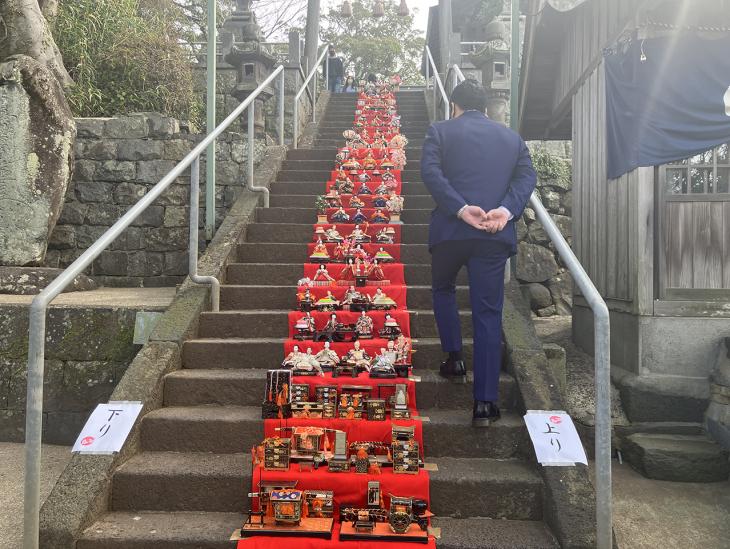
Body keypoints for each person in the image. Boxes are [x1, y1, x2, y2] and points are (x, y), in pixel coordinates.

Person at [420, 79, 536, 428]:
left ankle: (454, 357)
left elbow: (430, 173)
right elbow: (526, 177)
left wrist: (459, 208)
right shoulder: (512, 139)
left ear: (453, 105)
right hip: (493, 235)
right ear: (486, 108)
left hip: (450, 231)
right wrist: (505, 210)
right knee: (487, 313)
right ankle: (484, 403)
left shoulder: (439, 131)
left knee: (443, 289)